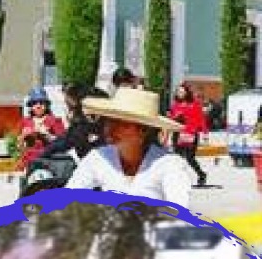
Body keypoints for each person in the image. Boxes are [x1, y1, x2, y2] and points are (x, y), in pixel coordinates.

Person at [65, 87, 194, 206]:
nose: (110, 128)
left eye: (121, 124)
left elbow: (179, 210)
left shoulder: (169, 164)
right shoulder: (98, 157)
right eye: (109, 121)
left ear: (143, 131)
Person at [168, 85, 210, 188]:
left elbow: (201, 119)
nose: (180, 93)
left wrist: (205, 133)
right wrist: (175, 117)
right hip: (178, 134)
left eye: (182, 91)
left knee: (190, 158)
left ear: (187, 92)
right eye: (178, 92)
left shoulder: (194, 104)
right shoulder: (175, 105)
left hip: (191, 133)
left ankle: (201, 174)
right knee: (177, 158)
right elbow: (171, 119)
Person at [17, 88, 65, 170]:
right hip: (29, 163)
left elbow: (63, 143)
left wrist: (47, 135)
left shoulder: (55, 120)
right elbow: (20, 148)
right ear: (31, 106)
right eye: (35, 103)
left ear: (46, 105)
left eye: (41, 103)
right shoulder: (25, 122)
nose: (38, 106)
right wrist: (23, 137)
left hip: (49, 161)